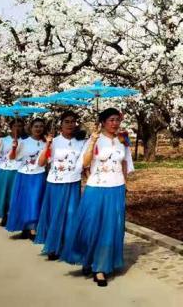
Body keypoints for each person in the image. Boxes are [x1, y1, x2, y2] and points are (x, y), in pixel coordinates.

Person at [60, 108, 134, 286]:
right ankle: (87, 258)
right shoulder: (93, 140)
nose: (115, 123)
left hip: (116, 187)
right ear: (102, 122)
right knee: (91, 225)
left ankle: (101, 267)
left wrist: (124, 184)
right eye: (111, 120)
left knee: (111, 227)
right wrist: (92, 141)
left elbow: (125, 163)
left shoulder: (122, 141)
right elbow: (84, 164)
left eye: (117, 119)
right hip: (96, 187)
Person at [34, 111, 86, 260]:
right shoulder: (54, 141)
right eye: (67, 121)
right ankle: (53, 246)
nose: (70, 124)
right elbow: (41, 163)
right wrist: (48, 145)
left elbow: (85, 162)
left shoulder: (81, 142)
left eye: (73, 121)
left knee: (71, 214)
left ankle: (68, 245)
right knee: (55, 214)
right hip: (55, 182)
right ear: (60, 125)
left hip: (73, 182)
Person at [5, 118, 47, 239]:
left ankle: (33, 228)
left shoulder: (47, 143)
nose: (38, 129)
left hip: (39, 175)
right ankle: (25, 227)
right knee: (24, 201)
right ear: (31, 128)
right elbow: (12, 158)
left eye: (41, 126)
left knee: (35, 201)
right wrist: (13, 148)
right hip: (24, 175)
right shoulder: (23, 142)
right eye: (36, 126)